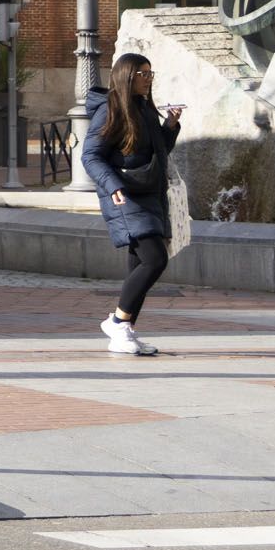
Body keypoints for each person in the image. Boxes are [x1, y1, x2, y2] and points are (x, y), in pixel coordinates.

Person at [80, 52, 182, 357]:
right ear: (127, 76)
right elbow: (91, 156)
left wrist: (171, 127)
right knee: (155, 259)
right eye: (143, 74)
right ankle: (117, 321)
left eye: (151, 74)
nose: (149, 79)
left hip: (150, 192)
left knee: (140, 264)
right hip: (126, 194)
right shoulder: (111, 108)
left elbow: (156, 152)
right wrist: (113, 185)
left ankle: (124, 333)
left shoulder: (143, 107)